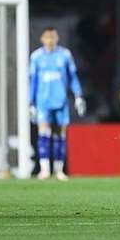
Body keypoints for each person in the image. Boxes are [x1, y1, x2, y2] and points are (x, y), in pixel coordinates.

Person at [29, 27, 85, 180]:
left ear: (57, 38)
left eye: (53, 37)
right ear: (42, 39)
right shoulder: (36, 57)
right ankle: (45, 169)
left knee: (60, 134)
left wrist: (78, 95)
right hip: (43, 101)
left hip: (61, 100)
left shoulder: (65, 55)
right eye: (47, 37)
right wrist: (30, 102)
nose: (50, 40)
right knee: (43, 132)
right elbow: (33, 81)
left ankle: (59, 170)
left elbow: (72, 77)